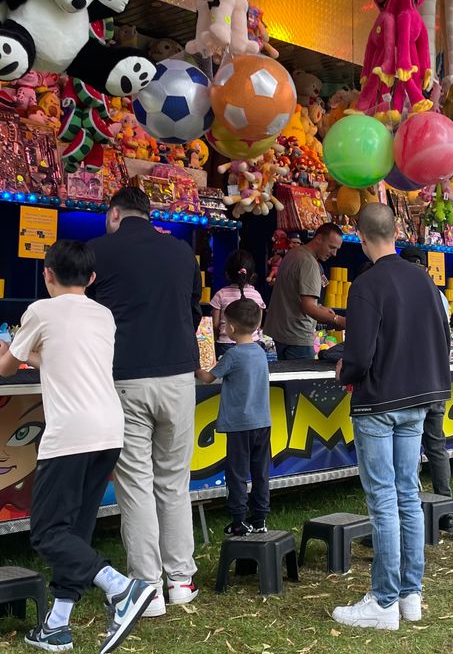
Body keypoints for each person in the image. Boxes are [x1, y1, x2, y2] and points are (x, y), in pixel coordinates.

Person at [0, 240, 157, 654]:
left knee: (47, 532)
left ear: (46, 274)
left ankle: (122, 588)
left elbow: (6, 368)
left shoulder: (40, 311)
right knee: (74, 531)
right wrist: (29, 355)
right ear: (92, 278)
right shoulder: (103, 315)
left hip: (70, 434)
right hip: (109, 431)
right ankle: (57, 625)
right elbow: (64, 359)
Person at [333, 204, 451, 631]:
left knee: (384, 499)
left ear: (360, 236)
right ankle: (409, 595)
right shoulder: (424, 279)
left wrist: (344, 370)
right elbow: (443, 334)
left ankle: (384, 601)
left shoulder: (366, 284)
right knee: (407, 495)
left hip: (378, 403)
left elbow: (359, 352)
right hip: (417, 400)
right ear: (397, 231)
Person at [88, 187, 200, 616]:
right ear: (148, 214)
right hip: (179, 377)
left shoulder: (98, 251)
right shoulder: (181, 252)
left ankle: (147, 588)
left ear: (114, 213)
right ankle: (181, 580)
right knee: (173, 481)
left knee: (135, 484)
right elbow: (193, 311)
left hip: (125, 378)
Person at [195, 299, 272, 536]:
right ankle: (260, 518)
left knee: (237, 473)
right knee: (260, 472)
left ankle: (238, 520)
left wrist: (195, 365)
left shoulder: (233, 355)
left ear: (230, 328)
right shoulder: (260, 352)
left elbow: (208, 378)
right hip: (262, 422)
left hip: (239, 425)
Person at [400, 246, 452, 498]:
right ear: (427, 268)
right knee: (436, 444)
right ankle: (445, 502)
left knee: (407, 443)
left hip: (412, 380)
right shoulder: (439, 296)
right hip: (437, 379)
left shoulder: (400, 291)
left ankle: (410, 501)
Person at [264, 223, 346, 360]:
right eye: (331, 247)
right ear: (318, 239)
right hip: (297, 336)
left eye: (337, 249)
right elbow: (309, 307)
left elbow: (293, 295)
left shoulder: (293, 253)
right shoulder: (309, 263)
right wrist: (338, 320)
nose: (334, 253)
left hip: (281, 333)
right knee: (303, 374)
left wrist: (320, 308)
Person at [209, 250, 266, 358]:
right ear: (252, 275)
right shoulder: (257, 295)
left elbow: (215, 325)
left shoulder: (220, 295)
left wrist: (214, 341)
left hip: (225, 345)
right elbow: (258, 325)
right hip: (253, 344)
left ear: (227, 274)